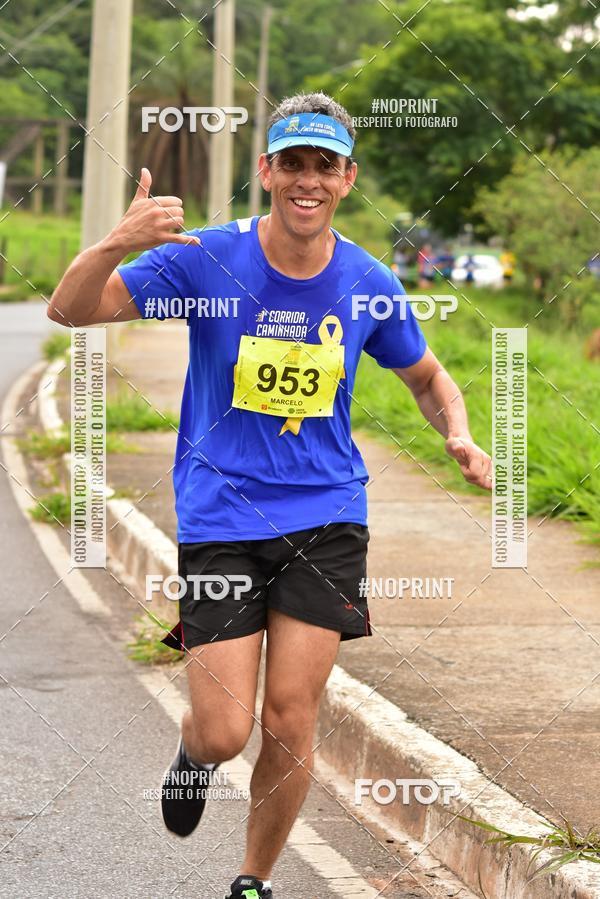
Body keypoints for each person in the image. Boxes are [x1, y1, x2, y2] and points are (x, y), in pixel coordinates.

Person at [47, 91, 492, 899]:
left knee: (290, 717)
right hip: (221, 516)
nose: (308, 180)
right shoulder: (204, 259)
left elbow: (426, 376)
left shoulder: (368, 279)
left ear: (347, 178)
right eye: (293, 163)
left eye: (325, 165)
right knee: (225, 731)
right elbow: (70, 310)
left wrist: (456, 431)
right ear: (267, 170)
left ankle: (252, 880)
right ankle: (193, 752)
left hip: (327, 515)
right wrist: (117, 240)